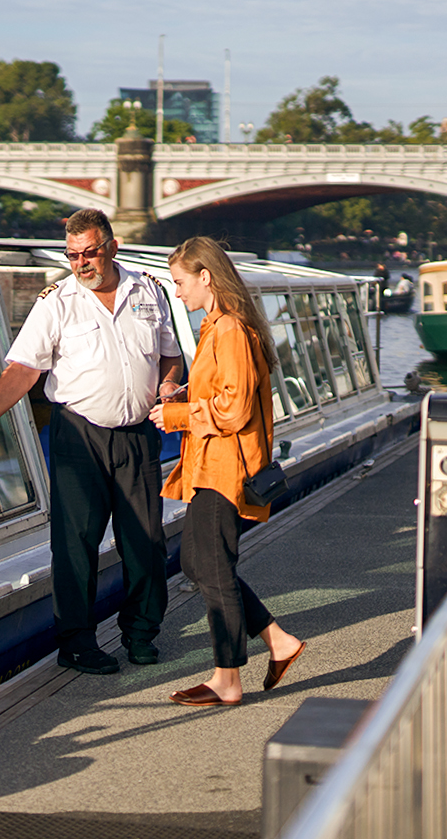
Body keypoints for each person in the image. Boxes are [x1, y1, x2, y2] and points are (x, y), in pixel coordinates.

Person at [0, 208, 183, 674]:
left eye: (89, 253)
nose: (81, 263)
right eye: (72, 255)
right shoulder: (57, 302)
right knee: (76, 544)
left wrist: (170, 386)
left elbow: (171, 357)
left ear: (112, 247)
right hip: (79, 435)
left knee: (145, 542)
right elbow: (24, 369)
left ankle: (142, 634)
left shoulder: (148, 291)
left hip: (137, 437)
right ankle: (76, 643)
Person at [150, 236, 305, 707]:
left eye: (180, 283)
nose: (178, 293)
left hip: (226, 469)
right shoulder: (216, 327)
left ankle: (228, 679)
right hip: (208, 467)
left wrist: (177, 417)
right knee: (199, 563)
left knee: (211, 566)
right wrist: (185, 395)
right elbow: (223, 394)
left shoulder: (231, 330)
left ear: (206, 277)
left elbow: (234, 410)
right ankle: (278, 641)